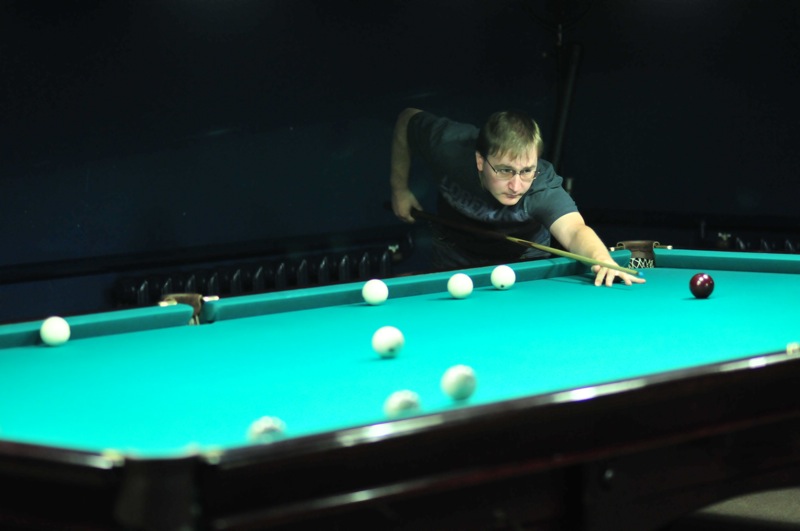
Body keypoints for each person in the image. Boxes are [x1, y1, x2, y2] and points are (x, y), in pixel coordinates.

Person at [389, 108, 644, 287]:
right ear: (480, 161)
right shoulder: (448, 147)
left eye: (526, 171)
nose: (516, 185)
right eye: (505, 170)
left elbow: (575, 230)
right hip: (454, 252)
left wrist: (600, 258)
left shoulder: (541, 187)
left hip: (523, 262)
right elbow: (407, 118)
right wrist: (399, 189)